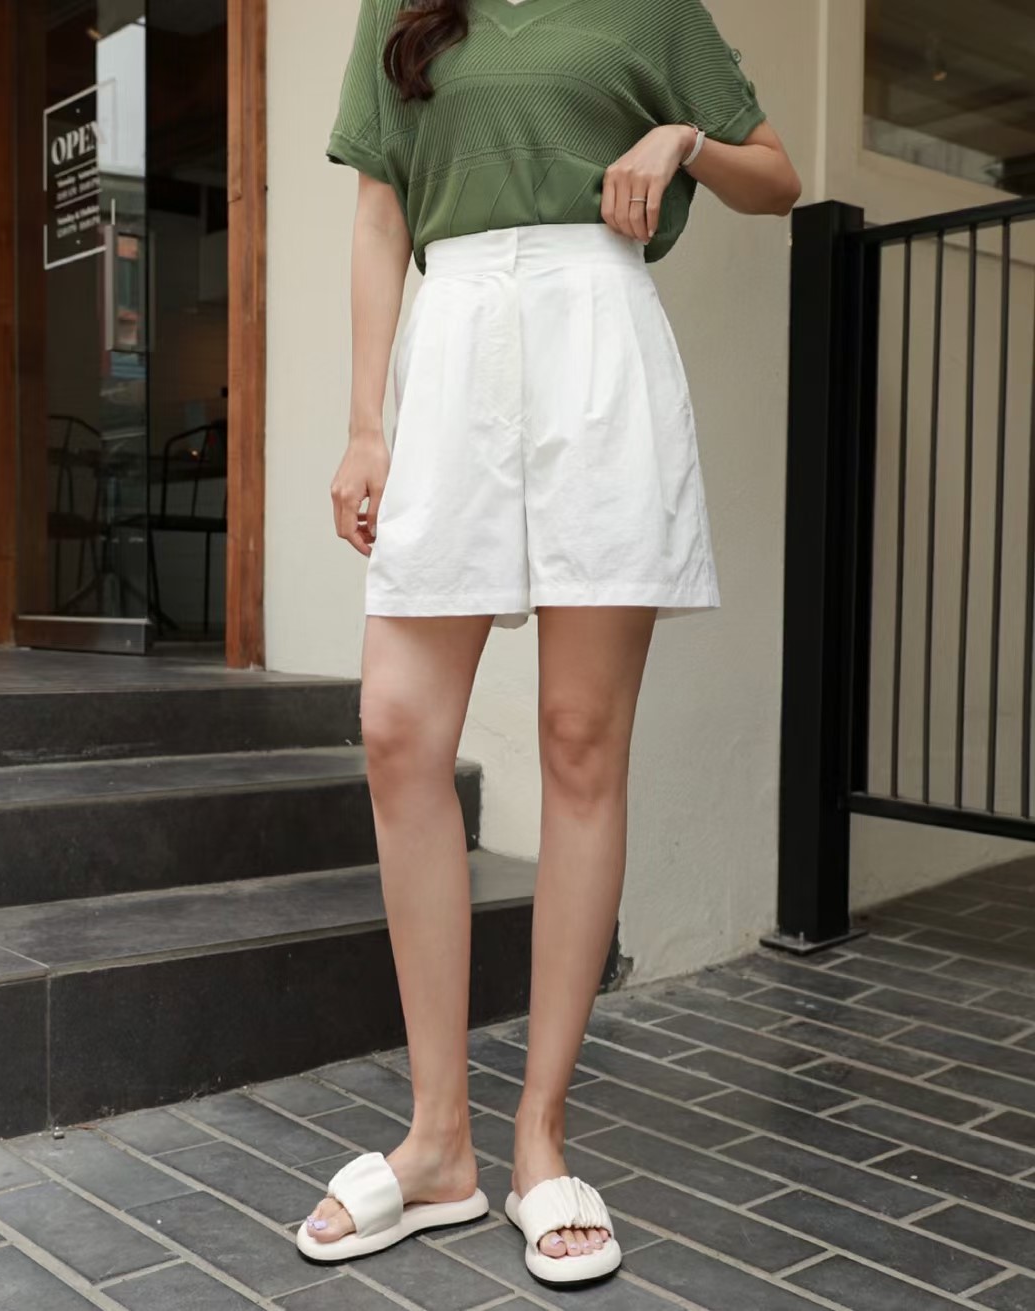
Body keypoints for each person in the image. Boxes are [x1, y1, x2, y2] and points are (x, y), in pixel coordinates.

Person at [299, 0, 801, 1288]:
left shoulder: (647, 4)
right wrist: (364, 423)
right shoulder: (404, 9)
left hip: (598, 338)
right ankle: (437, 1143)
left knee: (582, 741)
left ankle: (538, 1141)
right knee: (398, 726)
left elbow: (777, 177)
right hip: (454, 339)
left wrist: (684, 141)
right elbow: (380, 212)